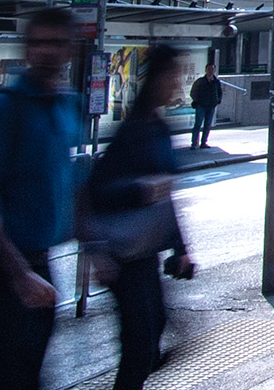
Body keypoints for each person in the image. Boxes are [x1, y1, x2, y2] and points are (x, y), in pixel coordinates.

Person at [0, 6, 86, 390]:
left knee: (25, 369)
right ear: (25, 50)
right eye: (37, 44)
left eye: (56, 44)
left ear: (71, 50)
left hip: (38, 260)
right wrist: (18, 274)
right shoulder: (1, 111)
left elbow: (67, 183)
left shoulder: (68, 105)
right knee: (16, 371)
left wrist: (96, 248)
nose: (46, 52)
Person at [87, 44, 193, 390]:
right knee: (139, 342)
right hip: (122, 254)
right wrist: (139, 191)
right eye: (173, 77)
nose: (177, 85)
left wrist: (180, 249)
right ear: (158, 78)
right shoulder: (133, 130)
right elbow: (96, 193)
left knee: (152, 330)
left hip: (145, 252)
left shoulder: (158, 127)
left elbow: (167, 197)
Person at [188, 63, 222, 149]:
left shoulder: (216, 82)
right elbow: (193, 92)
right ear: (206, 70)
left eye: (212, 69)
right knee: (198, 124)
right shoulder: (200, 81)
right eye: (209, 69)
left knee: (207, 125)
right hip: (201, 105)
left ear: (214, 71)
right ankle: (194, 143)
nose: (210, 71)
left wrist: (217, 101)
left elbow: (219, 92)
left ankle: (203, 142)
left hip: (211, 106)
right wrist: (198, 101)